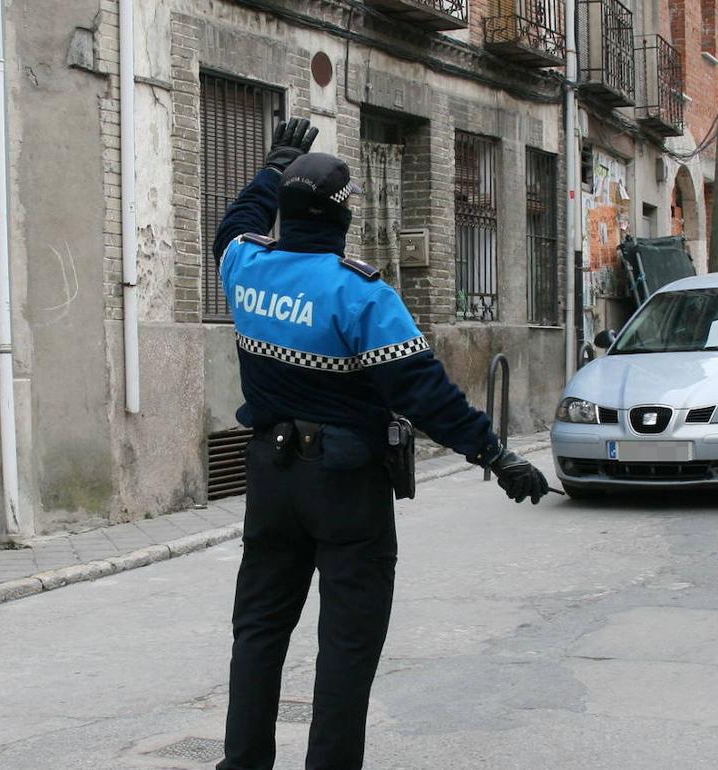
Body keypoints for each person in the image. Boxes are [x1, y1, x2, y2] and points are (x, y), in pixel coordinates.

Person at [211, 117, 549, 770]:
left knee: (256, 632)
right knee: (347, 642)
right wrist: (497, 456)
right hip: (344, 487)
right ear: (342, 219)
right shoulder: (360, 294)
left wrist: (271, 169)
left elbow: (231, 223)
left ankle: (242, 762)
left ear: (286, 209)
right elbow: (427, 395)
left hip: (270, 480)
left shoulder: (244, 265)